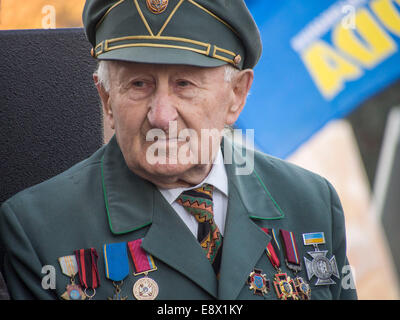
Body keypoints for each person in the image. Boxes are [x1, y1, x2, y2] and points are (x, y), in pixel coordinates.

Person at [0, 0, 357, 300]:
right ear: (106, 97)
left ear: (237, 95)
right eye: (138, 84)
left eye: (184, 84)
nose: (161, 116)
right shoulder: (38, 229)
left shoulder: (312, 202)